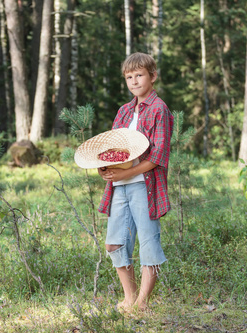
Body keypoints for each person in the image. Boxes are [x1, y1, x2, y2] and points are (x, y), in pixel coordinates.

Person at [97, 52, 173, 313]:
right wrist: (105, 168)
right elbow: (112, 148)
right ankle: (129, 297)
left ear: (152, 76)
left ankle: (142, 302)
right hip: (119, 186)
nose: (134, 81)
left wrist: (126, 174)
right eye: (129, 77)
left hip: (144, 185)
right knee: (114, 242)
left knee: (149, 242)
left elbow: (158, 155)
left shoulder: (159, 109)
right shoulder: (124, 111)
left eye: (139, 75)